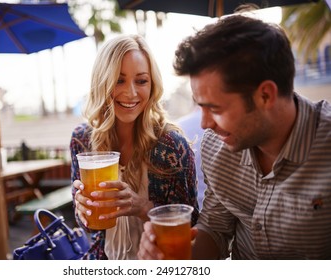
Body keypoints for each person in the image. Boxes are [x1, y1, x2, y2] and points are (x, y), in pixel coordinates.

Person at [138, 14, 331, 260]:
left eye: (215, 109)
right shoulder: (216, 146)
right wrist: (175, 257)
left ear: (265, 96)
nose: (205, 124)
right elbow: (215, 229)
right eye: (200, 106)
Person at [70, 34, 199, 260]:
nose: (130, 93)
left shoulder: (170, 146)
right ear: (102, 82)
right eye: (119, 80)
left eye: (141, 81)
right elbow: (91, 228)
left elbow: (192, 227)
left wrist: (142, 207)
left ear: (153, 84)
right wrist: (84, 211)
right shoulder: (82, 140)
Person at [177, 106, 207, 208]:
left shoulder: (178, 127)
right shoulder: (223, 126)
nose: (205, 124)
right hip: (219, 213)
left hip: (187, 211)